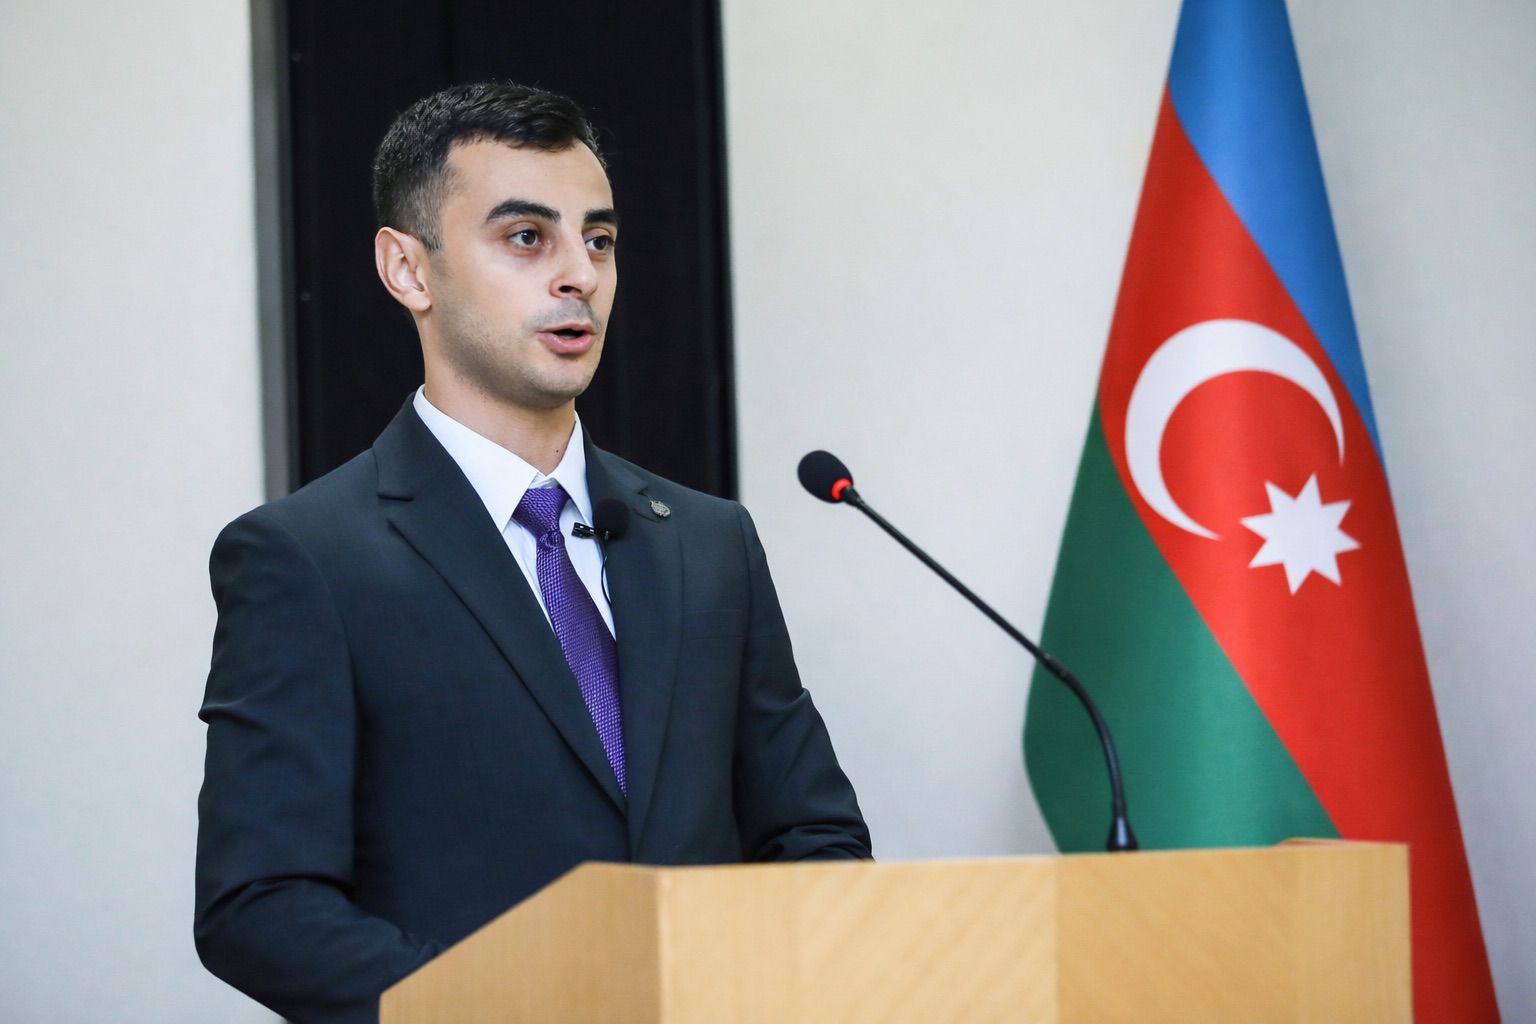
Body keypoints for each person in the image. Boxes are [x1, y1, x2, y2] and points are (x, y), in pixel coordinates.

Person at [194, 81, 871, 1024]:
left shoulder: (709, 542)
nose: (579, 275)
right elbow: (260, 905)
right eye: (526, 238)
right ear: (408, 270)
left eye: (599, 240)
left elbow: (814, 835)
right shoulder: (305, 557)